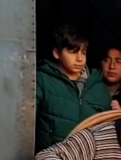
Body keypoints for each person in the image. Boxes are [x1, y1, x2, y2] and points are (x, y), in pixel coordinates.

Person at [35, 25, 111, 153]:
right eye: (72, 52)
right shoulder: (42, 79)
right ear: (56, 53)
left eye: (83, 52)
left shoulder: (98, 85)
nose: (79, 59)